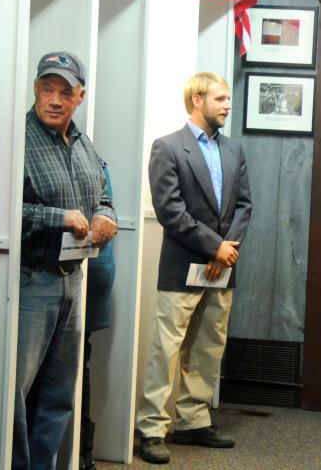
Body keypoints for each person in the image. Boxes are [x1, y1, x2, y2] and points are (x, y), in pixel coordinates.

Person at [136, 72, 252, 465]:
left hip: (223, 268)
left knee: (207, 348)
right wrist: (214, 247)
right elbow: (170, 211)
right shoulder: (167, 148)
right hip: (184, 266)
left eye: (226, 99)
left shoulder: (234, 150)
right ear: (197, 100)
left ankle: (192, 421)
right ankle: (152, 427)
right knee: (166, 349)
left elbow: (243, 206)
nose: (227, 105)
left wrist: (227, 251)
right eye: (219, 98)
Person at [15, 52, 116, 470]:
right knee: (17, 393)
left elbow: (104, 197)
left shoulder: (83, 143)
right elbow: (3, 210)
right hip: (31, 280)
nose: (54, 100)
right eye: (46, 89)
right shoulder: (18, 137)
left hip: (74, 279)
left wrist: (105, 216)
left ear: (80, 96)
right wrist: (59, 218)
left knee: (59, 393)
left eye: (64, 92)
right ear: (36, 89)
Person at [79, 159, 115, 470]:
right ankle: (80, 454)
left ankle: (82, 452)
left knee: (79, 363)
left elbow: (107, 207)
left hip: (88, 273)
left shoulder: (90, 157)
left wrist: (105, 217)